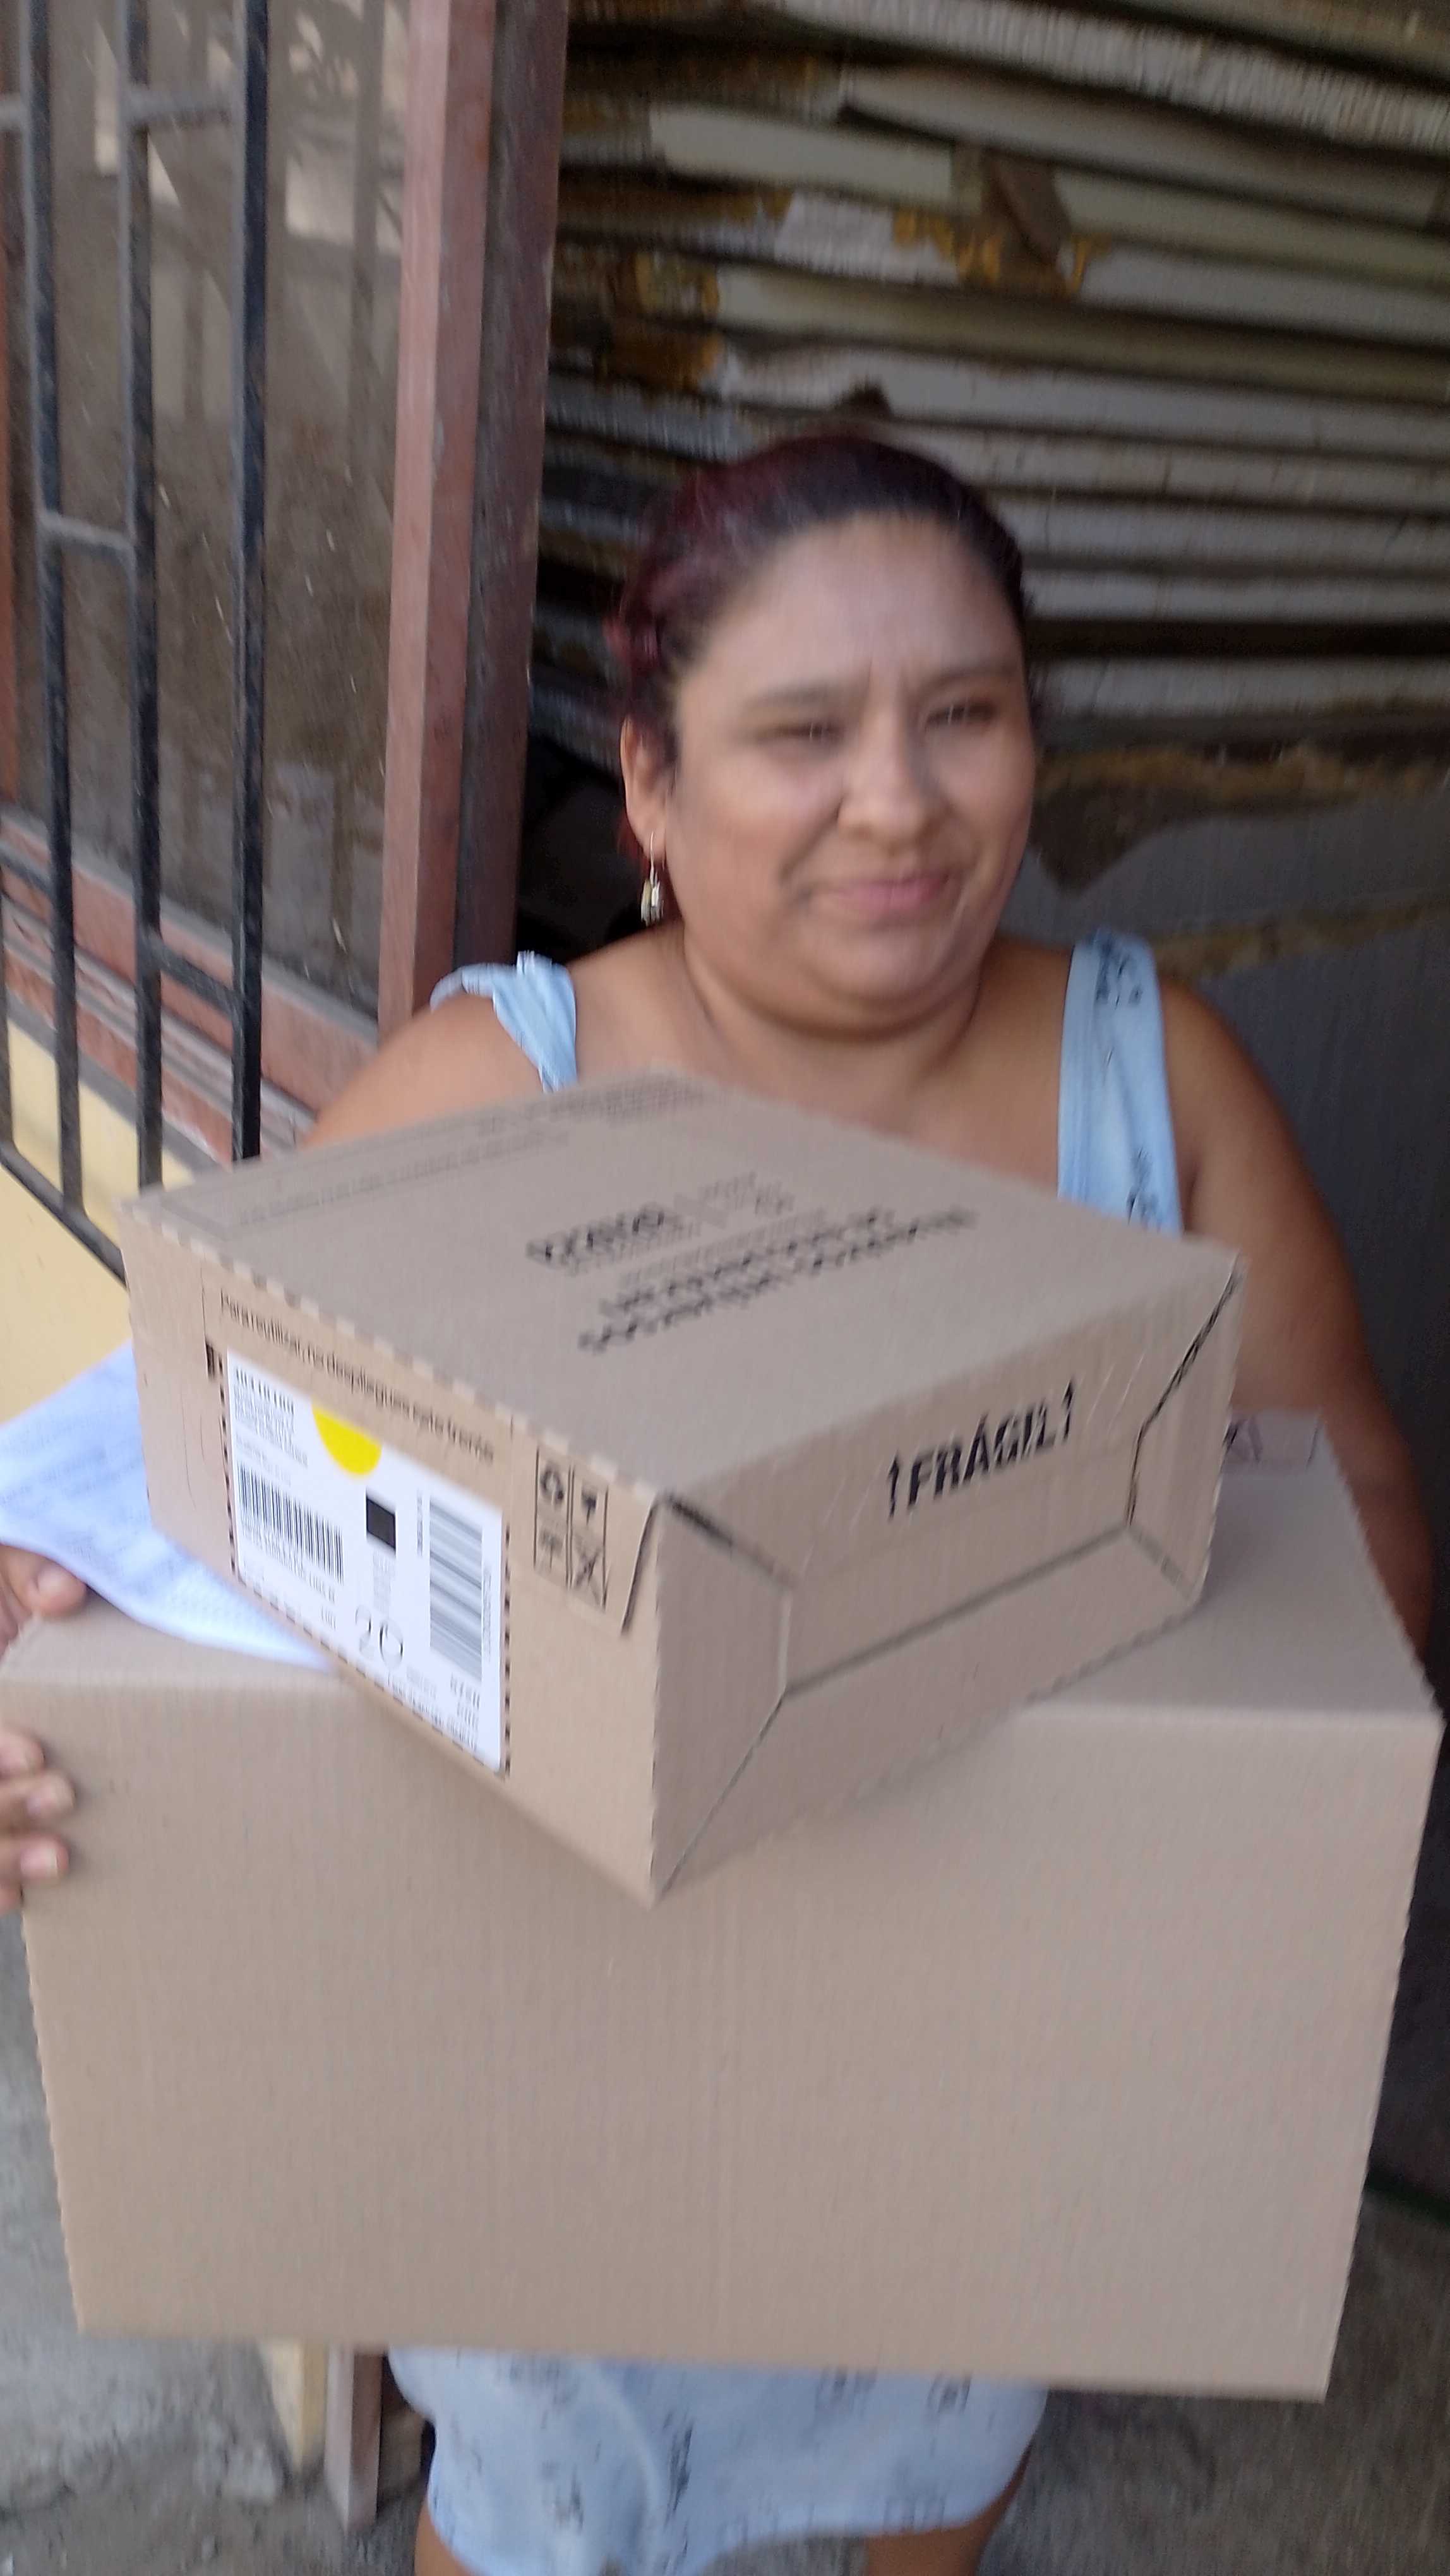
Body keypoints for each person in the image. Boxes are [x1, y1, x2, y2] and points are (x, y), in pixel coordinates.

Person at [0, 434, 1432, 2576]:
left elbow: (1356, 1517)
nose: (901, 800)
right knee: (544, 2505)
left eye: (965, 714)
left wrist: (1170, 1770)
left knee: (935, 2446)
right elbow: (202, 1451)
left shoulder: (1156, 1079)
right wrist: (61, 1669)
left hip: (980, 2065)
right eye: (805, 732)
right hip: (571, 2067)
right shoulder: (503, 1088)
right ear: (653, 792)